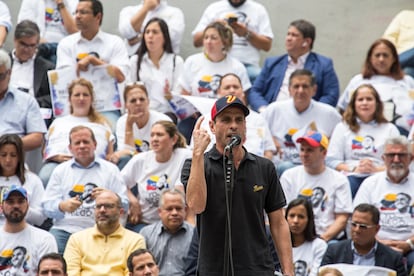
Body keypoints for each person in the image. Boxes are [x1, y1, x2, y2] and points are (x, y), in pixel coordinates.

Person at [183, 95, 294, 275]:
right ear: (212, 126)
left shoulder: (264, 167)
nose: (233, 125)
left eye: (239, 120)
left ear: (245, 126)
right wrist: (197, 154)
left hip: (258, 268)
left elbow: (279, 222)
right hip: (214, 269)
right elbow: (196, 205)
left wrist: (289, 272)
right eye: (226, 120)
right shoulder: (195, 165)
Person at [42, 125, 129, 254]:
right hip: (65, 229)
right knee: (52, 256)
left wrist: (109, 197)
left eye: (86, 142)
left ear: (95, 144)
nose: (82, 146)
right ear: (70, 148)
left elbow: (125, 205)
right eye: (77, 143)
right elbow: (46, 207)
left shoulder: (111, 170)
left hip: (102, 229)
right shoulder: (60, 171)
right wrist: (62, 206)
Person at [56, 0, 129, 126]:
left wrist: (95, 61)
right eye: (76, 12)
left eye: (83, 12)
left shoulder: (115, 43)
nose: (77, 16)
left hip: (106, 109)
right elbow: (63, 80)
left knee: (110, 133)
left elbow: (121, 76)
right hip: (75, 109)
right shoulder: (66, 44)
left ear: (98, 17)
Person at [261, 69, 341, 176]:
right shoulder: (274, 109)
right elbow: (257, 128)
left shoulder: (330, 113)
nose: (300, 90)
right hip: (281, 166)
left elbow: (341, 136)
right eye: (296, 86)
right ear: (289, 89)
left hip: (317, 167)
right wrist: (270, 139)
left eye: (305, 86)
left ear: (314, 89)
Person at [248, 19, 339, 112]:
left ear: (306, 42)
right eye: (288, 34)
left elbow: (331, 95)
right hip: (273, 115)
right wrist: (264, 110)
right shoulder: (271, 63)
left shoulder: (323, 64)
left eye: (294, 35)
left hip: (307, 117)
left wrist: (313, 112)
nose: (288, 38)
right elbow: (255, 91)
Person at [327, 84, 400, 198]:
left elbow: (398, 162)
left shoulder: (390, 129)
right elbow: (331, 160)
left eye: (369, 99)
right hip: (351, 175)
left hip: (380, 175)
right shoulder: (342, 127)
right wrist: (355, 169)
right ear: (353, 104)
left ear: (377, 103)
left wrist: (375, 169)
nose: (364, 103)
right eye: (360, 99)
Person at [353, 135, 414, 272]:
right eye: (391, 155)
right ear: (383, 159)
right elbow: (356, 220)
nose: (396, 159)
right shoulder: (370, 184)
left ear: (411, 158)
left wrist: (409, 244)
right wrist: (378, 243)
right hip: (373, 245)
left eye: (401, 155)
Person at [39, 78, 114, 187]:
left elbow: (110, 153)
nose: (81, 98)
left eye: (85, 95)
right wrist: (56, 157)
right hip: (61, 166)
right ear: (69, 99)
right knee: (46, 175)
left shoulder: (103, 124)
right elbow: (45, 150)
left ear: (91, 98)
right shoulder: (58, 122)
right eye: (77, 95)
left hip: (95, 166)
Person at [281, 131, 352, 242]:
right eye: (302, 150)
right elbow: (283, 211)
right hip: (295, 237)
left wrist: (323, 239)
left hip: (326, 238)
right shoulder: (289, 176)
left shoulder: (339, 180)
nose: (304, 154)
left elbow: (342, 218)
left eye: (310, 150)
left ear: (324, 153)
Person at [121, 121, 191, 231]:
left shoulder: (185, 156)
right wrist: (133, 200)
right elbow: (119, 182)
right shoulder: (141, 159)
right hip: (145, 223)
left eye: (159, 135)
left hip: (175, 225)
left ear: (173, 139)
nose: (154, 139)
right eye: (152, 135)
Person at [337, 38, 414, 135]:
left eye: (385, 55)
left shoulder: (407, 81)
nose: (381, 59)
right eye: (377, 55)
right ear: (370, 58)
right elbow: (343, 109)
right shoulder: (358, 81)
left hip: (401, 136)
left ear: (394, 58)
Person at [194, 73, 275, 159]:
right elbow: (196, 152)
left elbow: (268, 151)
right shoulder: (205, 120)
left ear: (243, 92)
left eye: (236, 87)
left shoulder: (259, 119)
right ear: (218, 92)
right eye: (227, 87)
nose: (232, 90)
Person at [64, 190, 146, 275]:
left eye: (108, 206)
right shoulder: (77, 239)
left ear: (121, 212)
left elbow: (132, 273)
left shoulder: (135, 240)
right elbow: (70, 272)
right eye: (98, 206)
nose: (102, 210)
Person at [192, 0, 273, 83]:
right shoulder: (214, 8)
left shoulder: (258, 10)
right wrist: (214, 26)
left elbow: (267, 46)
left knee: (261, 78)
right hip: (216, 63)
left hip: (247, 65)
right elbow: (196, 41)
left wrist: (246, 33)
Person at [320, 204, 407, 276]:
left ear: (376, 229)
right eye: (354, 224)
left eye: (363, 226)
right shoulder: (334, 251)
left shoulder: (393, 258)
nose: (357, 230)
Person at [0, 48, 47, 174]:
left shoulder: (26, 101)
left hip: (13, 160)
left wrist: (7, 146)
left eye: (0, 77)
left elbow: (37, 137)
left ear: (9, 74)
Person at [179, 21, 250, 98]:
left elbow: (243, 99)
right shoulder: (192, 61)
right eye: (206, 37)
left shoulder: (237, 67)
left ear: (224, 42)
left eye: (214, 38)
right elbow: (184, 95)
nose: (208, 42)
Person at [109, 82, 172, 169]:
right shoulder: (122, 122)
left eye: (142, 99)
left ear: (148, 102)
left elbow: (164, 152)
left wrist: (131, 153)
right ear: (126, 105)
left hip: (159, 164)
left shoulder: (163, 121)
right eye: (133, 101)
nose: (138, 103)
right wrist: (129, 126)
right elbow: (125, 154)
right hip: (135, 167)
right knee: (123, 159)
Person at [128, 17, 184, 115]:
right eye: (147, 32)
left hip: (167, 112)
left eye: (155, 32)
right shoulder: (135, 61)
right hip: (141, 112)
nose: (150, 36)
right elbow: (129, 90)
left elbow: (179, 94)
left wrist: (169, 95)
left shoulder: (176, 61)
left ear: (164, 37)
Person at [0, 186, 57, 275]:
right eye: (10, 202)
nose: (16, 206)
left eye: (20, 201)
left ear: (28, 205)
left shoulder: (44, 239)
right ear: (1, 206)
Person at [9, 20, 55, 127]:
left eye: (32, 46)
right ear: (15, 40)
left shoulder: (47, 68)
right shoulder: (3, 63)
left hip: (34, 113)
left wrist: (31, 101)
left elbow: (53, 97)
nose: (27, 49)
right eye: (23, 44)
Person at [139, 189, 193, 275]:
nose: (174, 213)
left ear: (185, 210)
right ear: (160, 212)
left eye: (178, 209)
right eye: (169, 209)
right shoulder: (146, 234)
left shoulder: (195, 235)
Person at [0, 134, 46, 228]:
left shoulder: (33, 180)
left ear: (20, 156)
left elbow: (40, 218)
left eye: (13, 155)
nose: (8, 160)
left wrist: (20, 207)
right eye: (3, 155)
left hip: (22, 232)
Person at [17, 0, 78, 64]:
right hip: (40, 46)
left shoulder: (74, 2)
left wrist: (61, 4)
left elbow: (75, 32)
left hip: (64, 48)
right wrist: (38, 40)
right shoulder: (31, 1)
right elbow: (24, 28)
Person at [118, 0, 185, 56]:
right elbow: (126, 32)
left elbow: (170, 37)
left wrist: (137, 38)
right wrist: (146, 8)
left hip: (165, 62)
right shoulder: (128, 11)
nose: (150, 35)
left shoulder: (175, 13)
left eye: (154, 32)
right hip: (134, 61)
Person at [286, 198, 327, 276]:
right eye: (292, 216)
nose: (295, 221)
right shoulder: (277, 245)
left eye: (301, 217)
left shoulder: (319, 246)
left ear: (309, 220)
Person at [383, 10, 414, 78]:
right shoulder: (404, 15)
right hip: (403, 58)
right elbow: (389, 37)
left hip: (400, 61)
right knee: (407, 72)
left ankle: (391, 64)